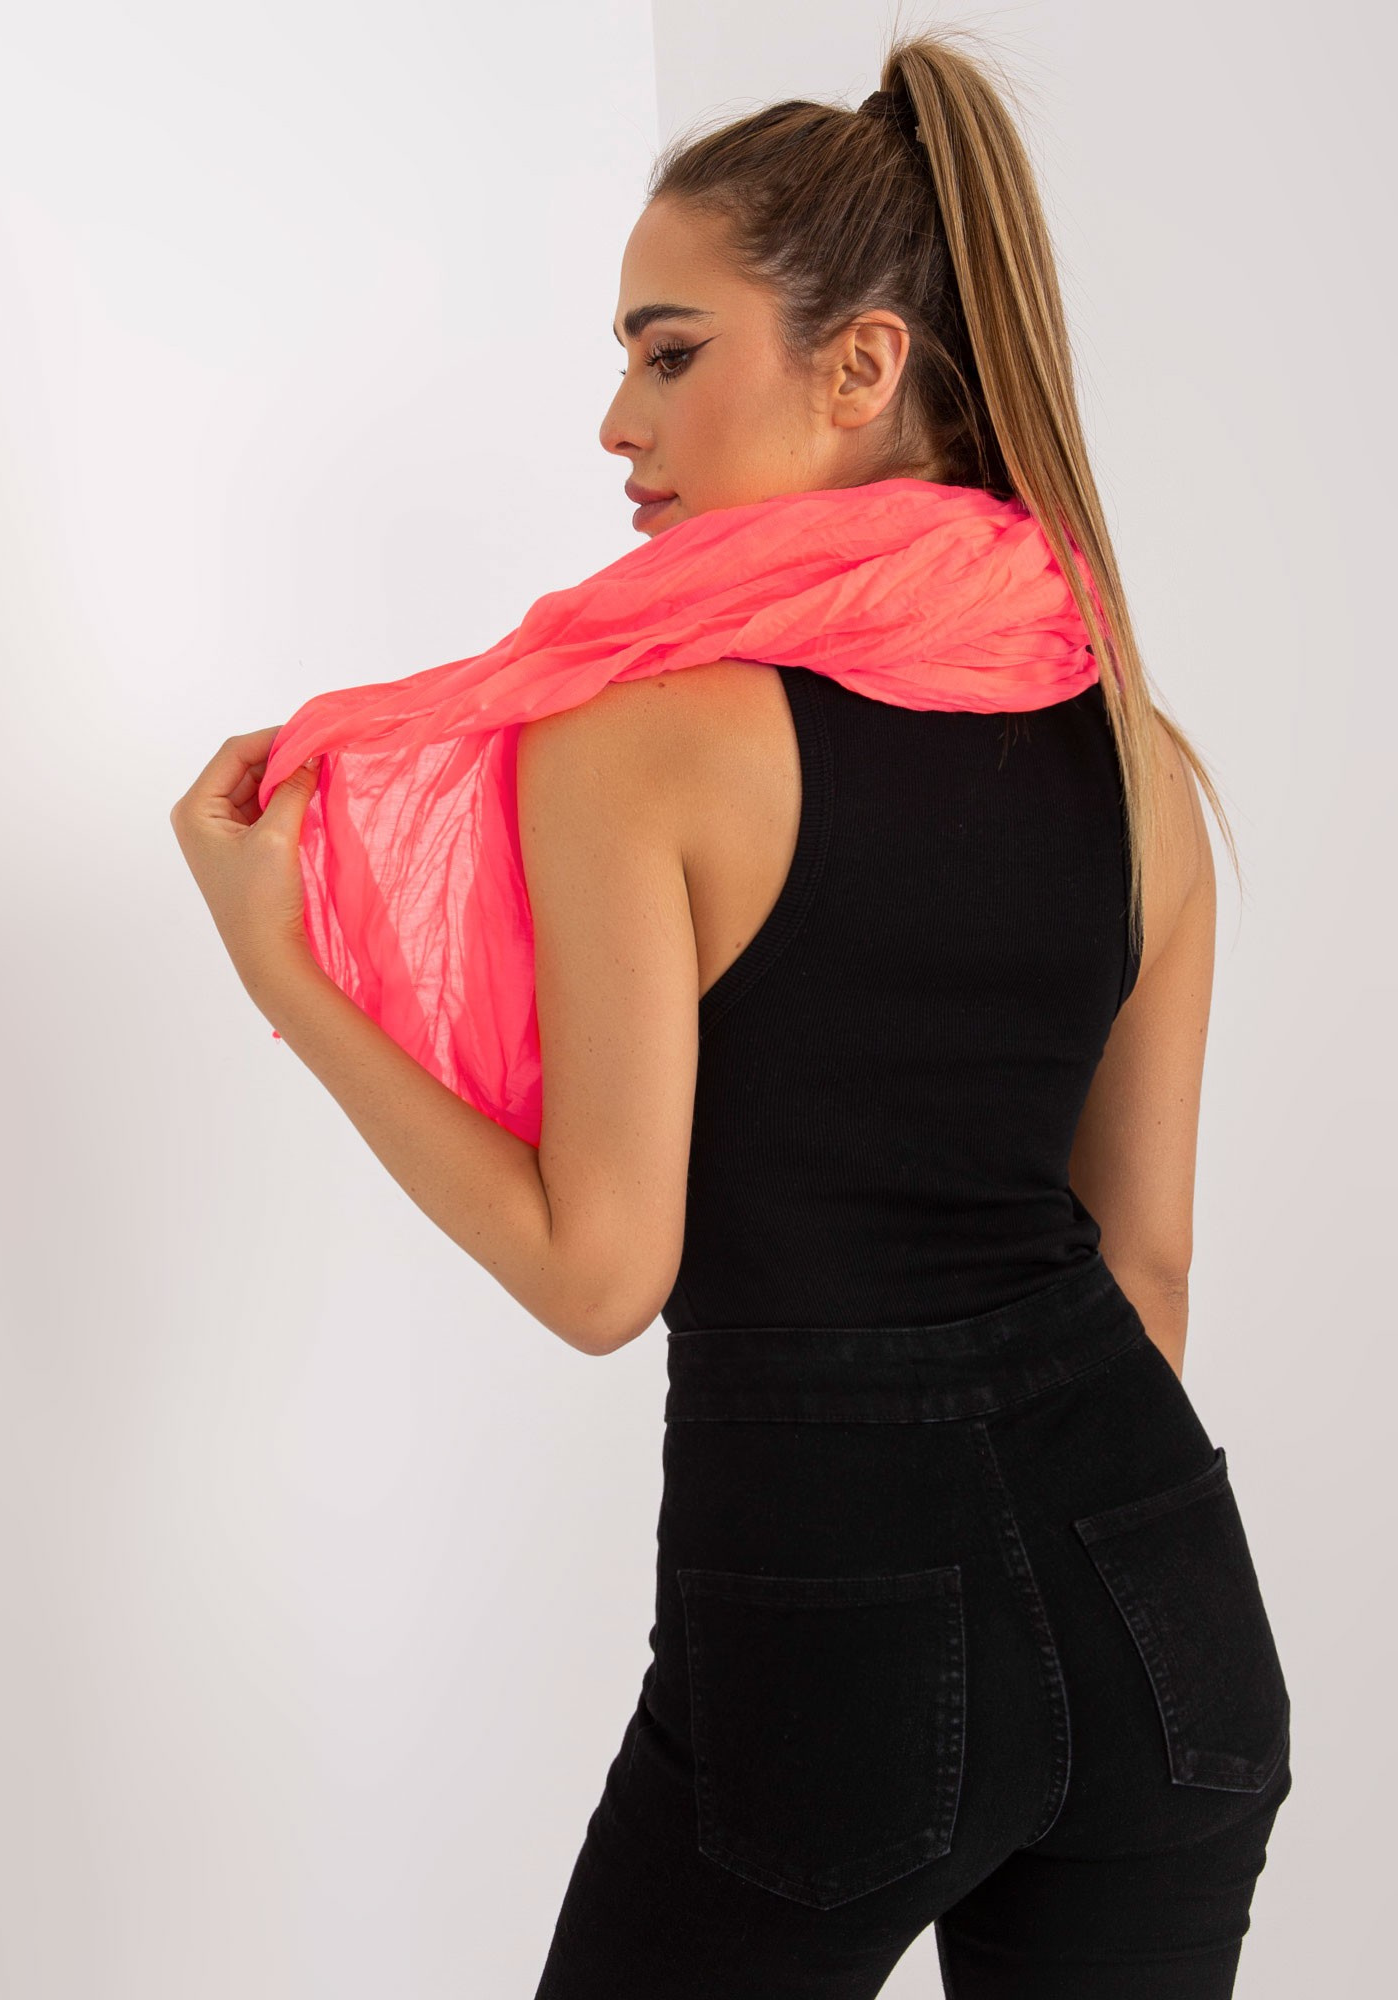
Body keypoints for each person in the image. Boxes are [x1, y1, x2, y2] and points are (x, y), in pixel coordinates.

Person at [522, 30, 1294, 2000]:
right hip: (1170, 1621)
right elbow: (1146, 1268)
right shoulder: (1141, 760)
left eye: (670, 352)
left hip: (826, 1632)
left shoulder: (636, 747)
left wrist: (276, 953)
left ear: (861, 365)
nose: (619, 419)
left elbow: (600, 1271)